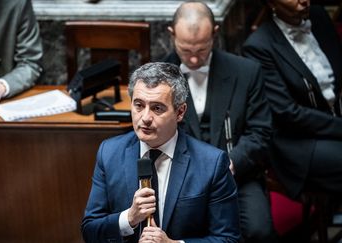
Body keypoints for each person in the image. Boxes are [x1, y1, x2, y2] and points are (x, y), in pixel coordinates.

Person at [81, 62, 240, 242]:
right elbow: (90, 230)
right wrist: (129, 218)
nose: (146, 118)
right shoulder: (109, 153)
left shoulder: (212, 163)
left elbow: (228, 238)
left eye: (157, 108)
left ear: (180, 112)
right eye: (139, 105)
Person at [163, 2, 277, 243]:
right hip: (180, 179)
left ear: (215, 33)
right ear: (172, 35)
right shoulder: (157, 77)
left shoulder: (247, 72)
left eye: (202, 49)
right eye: (185, 50)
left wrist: (232, 163)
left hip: (237, 174)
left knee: (260, 231)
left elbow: (260, 133)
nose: (193, 58)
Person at [243, 0, 342, 200]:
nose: (303, 0)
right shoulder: (258, 46)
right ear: (272, 4)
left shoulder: (318, 15)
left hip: (333, 120)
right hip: (299, 141)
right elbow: (288, 113)